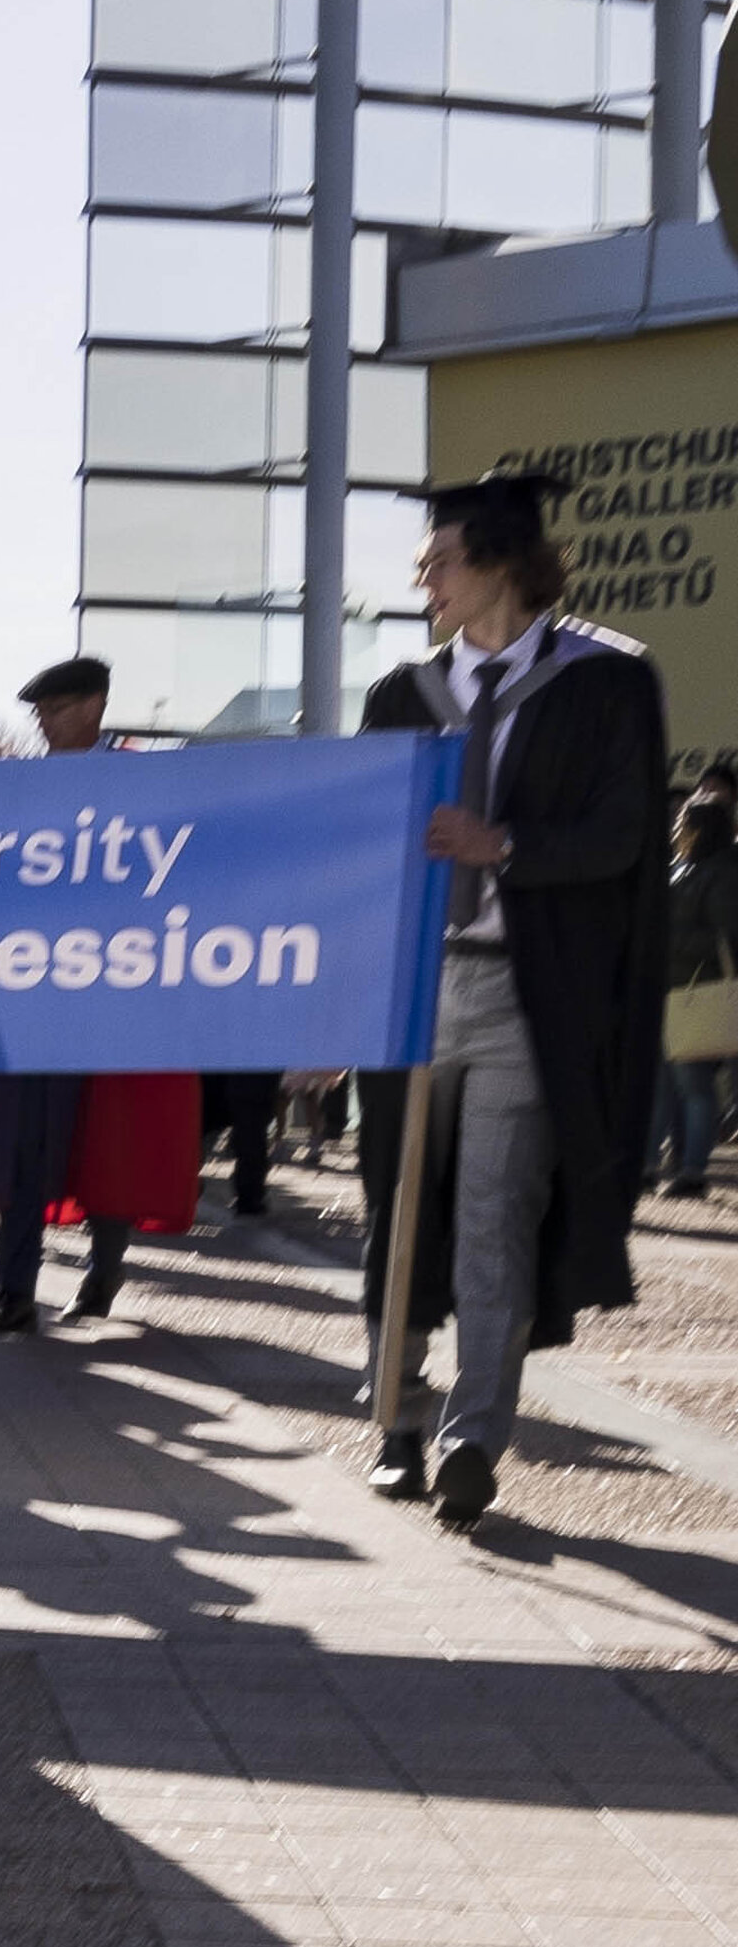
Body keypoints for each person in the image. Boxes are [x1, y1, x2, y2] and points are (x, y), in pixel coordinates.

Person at [355, 460, 665, 1531]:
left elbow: (623, 836)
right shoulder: (402, 695)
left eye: (436, 561)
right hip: (413, 995)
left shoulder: (605, 682)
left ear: (495, 561)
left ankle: (468, 1439)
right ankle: (393, 1419)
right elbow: (357, 858)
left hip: (529, 996)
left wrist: (505, 846)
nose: (423, 581)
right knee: (396, 1210)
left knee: (495, 1217)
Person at [0, 652, 185, 1338]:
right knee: (24, 1141)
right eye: (38, 714)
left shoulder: (141, 783)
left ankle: (104, 1270)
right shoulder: (20, 787)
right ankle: (14, 1290)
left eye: (55, 711)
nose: (44, 724)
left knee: (107, 1138)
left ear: (93, 707)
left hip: (116, 993)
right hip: (35, 993)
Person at [657, 762, 738, 1202]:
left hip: (701, 989)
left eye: (685, 821)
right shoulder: (680, 867)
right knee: (667, 1085)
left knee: (693, 1086)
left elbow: (726, 933)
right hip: (674, 987)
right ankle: (662, 1162)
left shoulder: (723, 870)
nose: (677, 826)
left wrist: (674, 938)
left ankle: (692, 1170)